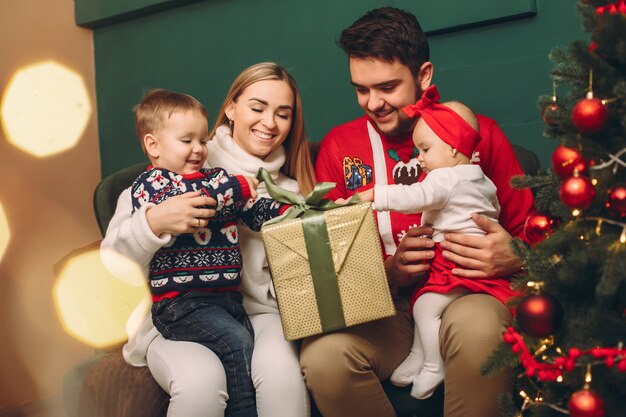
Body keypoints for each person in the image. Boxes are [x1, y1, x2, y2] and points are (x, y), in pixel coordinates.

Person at [299, 7, 535, 417]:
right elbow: (331, 268)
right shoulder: (339, 147)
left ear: (424, 75)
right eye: (360, 89)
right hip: (386, 313)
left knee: (480, 330)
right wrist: (390, 271)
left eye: (387, 86)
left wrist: (516, 255)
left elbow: (538, 234)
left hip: (465, 295)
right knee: (323, 357)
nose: (373, 103)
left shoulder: (481, 134)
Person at [101, 63, 315, 417]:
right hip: (176, 309)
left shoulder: (289, 191)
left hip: (252, 313)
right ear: (231, 108)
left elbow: (256, 217)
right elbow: (111, 265)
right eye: (258, 107)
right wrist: (152, 223)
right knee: (202, 382)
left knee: (281, 376)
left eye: (283, 114)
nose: (269, 123)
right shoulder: (175, 172)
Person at [355, 84, 517, 401]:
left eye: (425, 150)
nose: (419, 159)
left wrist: (377, 195)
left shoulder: (445, 178)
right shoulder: (479, 178)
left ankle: (432, 362)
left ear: (454, 150)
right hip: (473, 264)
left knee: (427, 306)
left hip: (456, 262)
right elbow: (492, 212)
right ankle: (420, 354)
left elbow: (417, 196)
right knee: (422, 303)